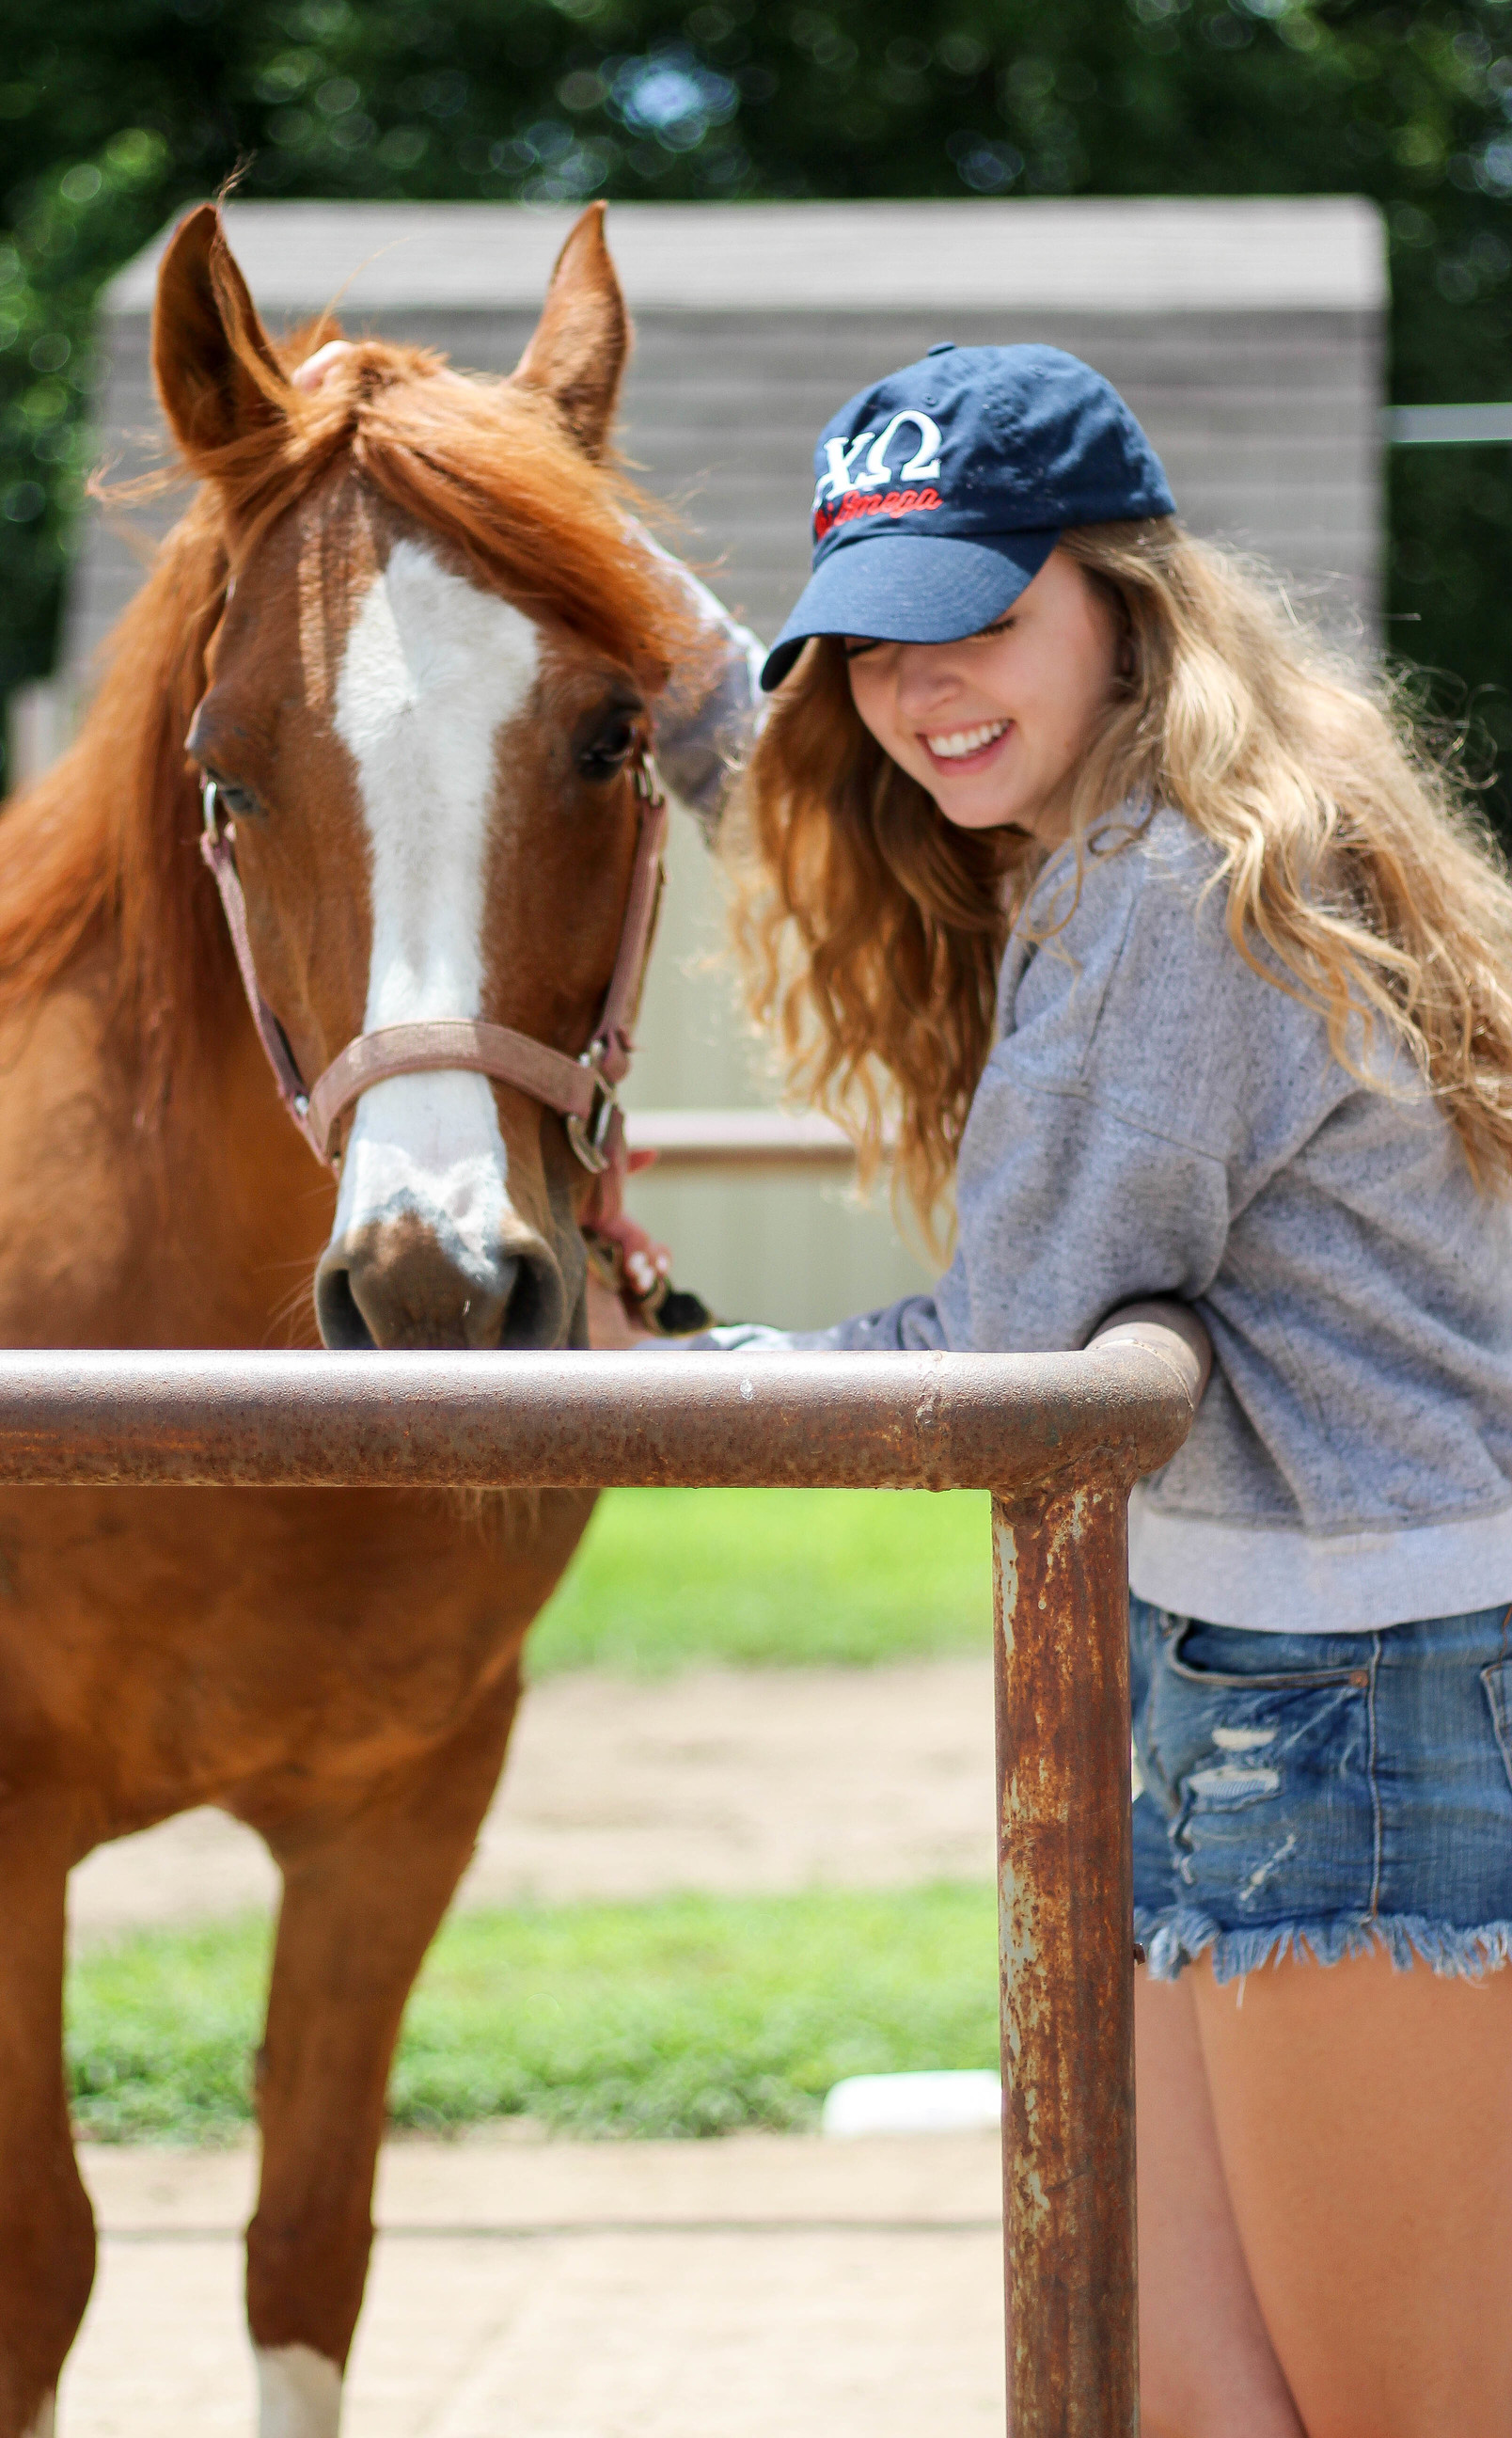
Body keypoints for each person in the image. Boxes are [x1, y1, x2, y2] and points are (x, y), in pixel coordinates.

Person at [592, 341, 1512, 2437]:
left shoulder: (1185, 886)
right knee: (1178, 2392)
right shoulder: (1121, 830)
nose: (919, 691)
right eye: (873, 644)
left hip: (1371, 1685)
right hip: (1237, 1663)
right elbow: (839, 779)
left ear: (1124, 596)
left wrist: (659, 1372)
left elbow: (1009, 1353)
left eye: (978, 617)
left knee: (1406, 2410)